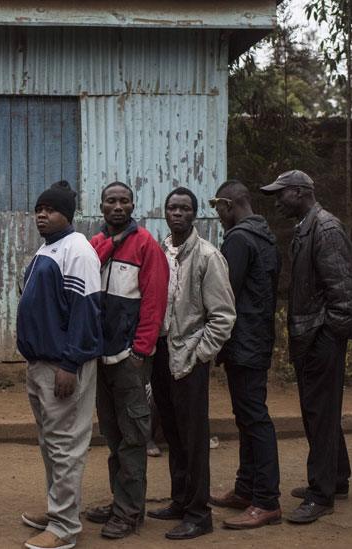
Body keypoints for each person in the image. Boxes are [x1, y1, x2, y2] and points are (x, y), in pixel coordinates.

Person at [261, 170, 352, 524]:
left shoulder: (326, 229)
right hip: (313, 336)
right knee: (320, 412)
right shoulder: (308, 225)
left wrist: (329, 336)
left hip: (322, 338)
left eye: (282, 194)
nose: (277, 201)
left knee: (320, 415)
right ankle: (336, 478)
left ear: (300, 192)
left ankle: (321, 495)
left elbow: (345, 294)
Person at [17, 181, 102, 549]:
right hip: (41, 364)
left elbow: (86, 312)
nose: (42, 214)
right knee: (51, 444)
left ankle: (65, 528)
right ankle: (58, 510)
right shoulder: (48, 248)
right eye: (39, 208)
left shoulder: (78, 251)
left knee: (65, 446)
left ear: (66, 214)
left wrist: (70, 363)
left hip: (63, 366)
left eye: (50, 209)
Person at [147, 187, 235, 540]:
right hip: (161, 351)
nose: (178, 213)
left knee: (194, 437)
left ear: (194, 214)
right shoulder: (160, 251)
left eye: (184, 208)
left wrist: (201, 354)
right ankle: (181, 500)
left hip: (190, 357)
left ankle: (199, 514)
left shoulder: (208, 256)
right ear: (165, 213)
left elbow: (223, 317)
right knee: (171, 431)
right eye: (172, 207)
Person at [84, 182, 168, 539]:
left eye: (124, 201)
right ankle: (120, 502)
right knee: (113, 433)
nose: (118, 206)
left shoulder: (146, 244)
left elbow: (154, 302)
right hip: (101, 357)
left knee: (133, 437)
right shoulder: (96, 243)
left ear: (133, 204)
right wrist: (109, 243)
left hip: (129, 359)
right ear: (101, 206)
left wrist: (141, 351)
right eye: (111, 201)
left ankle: (129, 513)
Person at [208, 180, 282, 529]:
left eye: (218, 208)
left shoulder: (238, 239)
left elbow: (224, 292)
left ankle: (266, 501)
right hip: (259, 338)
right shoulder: (266, 235)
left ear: (229, 204)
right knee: (247, 416)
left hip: (244, 342)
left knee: (254, 418)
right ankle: (246, 489)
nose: (218, 216)